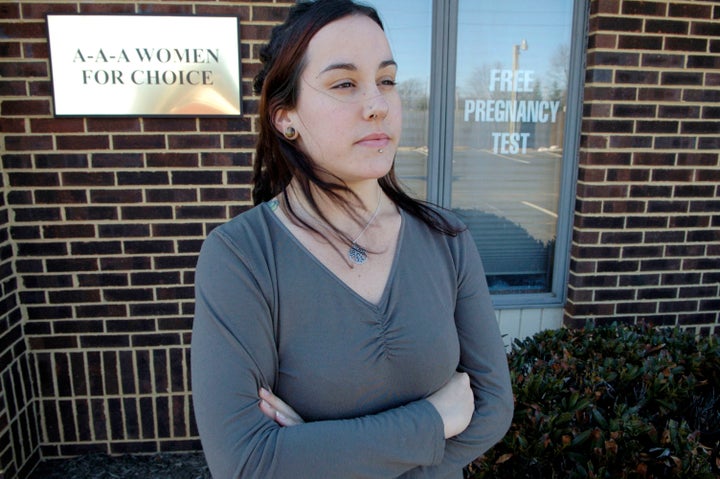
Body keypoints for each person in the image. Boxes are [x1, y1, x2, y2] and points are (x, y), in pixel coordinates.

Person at [190, 0, 513, 477]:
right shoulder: (242, 257)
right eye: (344, 84)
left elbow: (491, 409)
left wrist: (316, 453)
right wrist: (432, 421)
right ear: (285, 117)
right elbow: (247, 464)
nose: (378, 105)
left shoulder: (446, 239)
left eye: (386, 80)